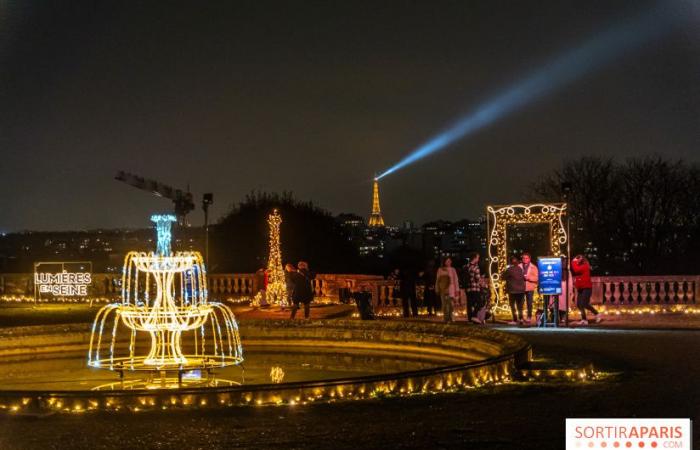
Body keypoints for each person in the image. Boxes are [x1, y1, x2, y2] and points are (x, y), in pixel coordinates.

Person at [571, 255, 601, 325]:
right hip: (581, 288)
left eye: (578, 260)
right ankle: (584, 320)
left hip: (587, 288)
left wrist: (573, 261)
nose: (577, 261)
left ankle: (597, 314)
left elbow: (576, 269)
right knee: (579, 304)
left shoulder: (585, 266)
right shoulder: (580, 266)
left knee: (584, 304)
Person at [502, 256, 526, 325]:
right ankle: (521, 319)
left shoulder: (509, 269)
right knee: (520, 306)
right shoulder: (520, 269)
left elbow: (503, 277)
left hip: (512, 290)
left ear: (510, 262)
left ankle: (515, 320)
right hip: (521, 290)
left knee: (512, 305)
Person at [435, 257, 459, 323]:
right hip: (443, 289)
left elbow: (456, 280)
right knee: (444, 304)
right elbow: (438, 280)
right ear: (444, 262)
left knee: (451, 304)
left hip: (451, 289)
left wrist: (457, 290)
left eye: (450, 261)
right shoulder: (440, 270)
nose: (449, 262)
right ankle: (445, 318)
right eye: (447, 261)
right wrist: (437, 288)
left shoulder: (453, 269)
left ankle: (451, 317)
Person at [520, 253, 539, 324]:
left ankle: (529, 317)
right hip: (520, 287)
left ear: (529, 259)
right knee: (520, 304)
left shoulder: (534, 267)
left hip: (530, 287)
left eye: (526, 258)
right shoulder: (519, 266)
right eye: (523, 258)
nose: (525, 259)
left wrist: (529, 278)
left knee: (529, 303)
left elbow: (537, 278)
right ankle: (521, 317)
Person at [465, 252, 482, 323]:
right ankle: (474, 316)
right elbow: (477, 279)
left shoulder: (466, 266)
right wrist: (482, 282)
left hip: (468, 288)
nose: (478, 259)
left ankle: (470, 319)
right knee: (480, 302)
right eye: (478, 257)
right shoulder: (476, 267)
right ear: (474, 258)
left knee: (469, 303)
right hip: (475, 288)